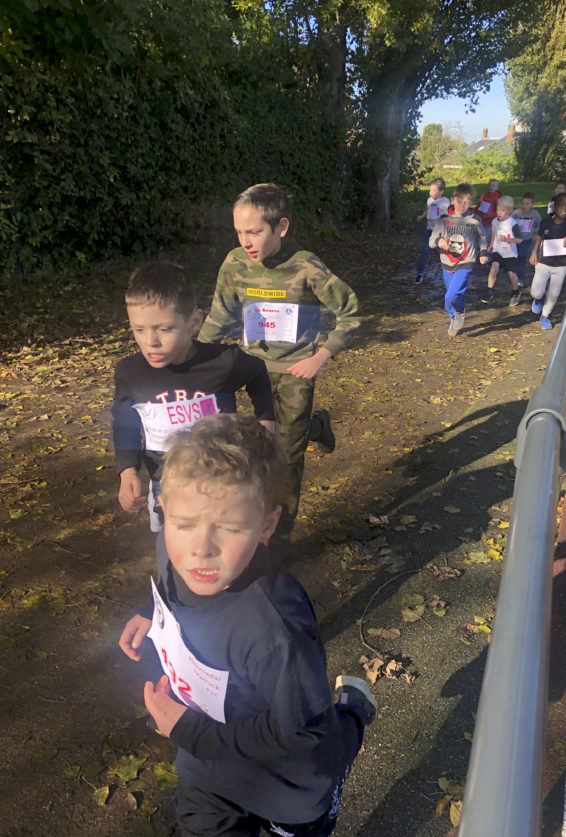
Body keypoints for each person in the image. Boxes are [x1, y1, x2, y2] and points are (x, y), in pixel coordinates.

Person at [118, 413, 377, 836]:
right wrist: (152, 613)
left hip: (287, 789)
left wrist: (190, 731)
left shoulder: (276, 631)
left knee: (326, 736)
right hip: (208, 778)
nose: (201, 549)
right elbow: (170, 584)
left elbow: (300, 732)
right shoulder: (173, 549)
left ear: (266, 525)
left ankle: (353, 712)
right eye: (184, 524)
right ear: (164, 507)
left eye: (230, 527)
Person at [198, 183, 361, 543]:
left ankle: (276, 540)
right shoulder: (235, 263)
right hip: (249, 370)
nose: (245, 241)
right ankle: (314, 428)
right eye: (239, 232)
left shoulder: (306, 267)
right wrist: (192, 361)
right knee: (255, 445)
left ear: (281, 227)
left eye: (254, 232)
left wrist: (320, 357)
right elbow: (220, 317)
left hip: (293, 372)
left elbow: (351, 313)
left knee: (285, 458)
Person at [112, 262, 275, 532]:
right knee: (169, 544)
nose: (151, 341)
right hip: (165, 484)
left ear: (194, 322)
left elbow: (257, 372)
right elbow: (124, 421)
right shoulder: (130, 372)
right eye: (138, 329)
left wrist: (265, 420)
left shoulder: (222, 362)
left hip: (222, 480)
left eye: (164, 329)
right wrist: (127, 469)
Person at [429, 182, 489, 337]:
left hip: (465, 262)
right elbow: (431, 240)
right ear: (452, 200)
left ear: (471, 203)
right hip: (447, 262)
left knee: (451, 296)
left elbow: (482, 237)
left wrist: (483, 252)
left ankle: (460, 312)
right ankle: (453, 317)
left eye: (467, 203)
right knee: (450, 295)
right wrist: (439, 241)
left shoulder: (474, 220)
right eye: (459, 201)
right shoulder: (443, 219)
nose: (462, 205)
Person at [529, 192, 566, 329]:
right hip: (543, 263)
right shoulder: (546, 223)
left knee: (554, 294)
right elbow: (539, 238)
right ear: (554, 207)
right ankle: (538, 299)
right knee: (536, 292)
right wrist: (534, 252)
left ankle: (545, 316)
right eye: (561, 205)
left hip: (561, 266)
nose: (565, 208)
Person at [481, 195, 523, 307]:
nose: (499, 213)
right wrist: (491, 244)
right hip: (498, 250)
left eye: (502, 211)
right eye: (498, 209)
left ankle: (516, 292)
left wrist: (508, 240)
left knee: (511, 273)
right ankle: (489, 291)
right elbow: (494, 232)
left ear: (510, 211)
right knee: (493, 269)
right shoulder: (495, 221)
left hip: (510, 253)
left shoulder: (513, 223)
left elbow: (519, 240)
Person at [414, 177, 450, 283]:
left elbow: (449, 215)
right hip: (429, 230)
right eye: (430, 190)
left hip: (440, 233)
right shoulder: (429, 200)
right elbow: (428, 209)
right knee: (425, 250)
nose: (431, 192)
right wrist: (422, 216)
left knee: (442, 252)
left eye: (434, 190)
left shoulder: (445, 202)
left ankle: (450, 269)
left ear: (441, 191)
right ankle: (420, 273)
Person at [513, 192, 542, 288]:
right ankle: (514, 275)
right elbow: (509, 222)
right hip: (516, 240)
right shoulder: (517, 213)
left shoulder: (534, 213)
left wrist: (536, 231)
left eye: (527, 204)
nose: (524, 206)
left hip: (527, 240)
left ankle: (520, 279)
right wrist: (516, 228)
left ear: (532, 204)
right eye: (522, 203)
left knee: (521, 257)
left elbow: (541, 223)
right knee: (515, 258)